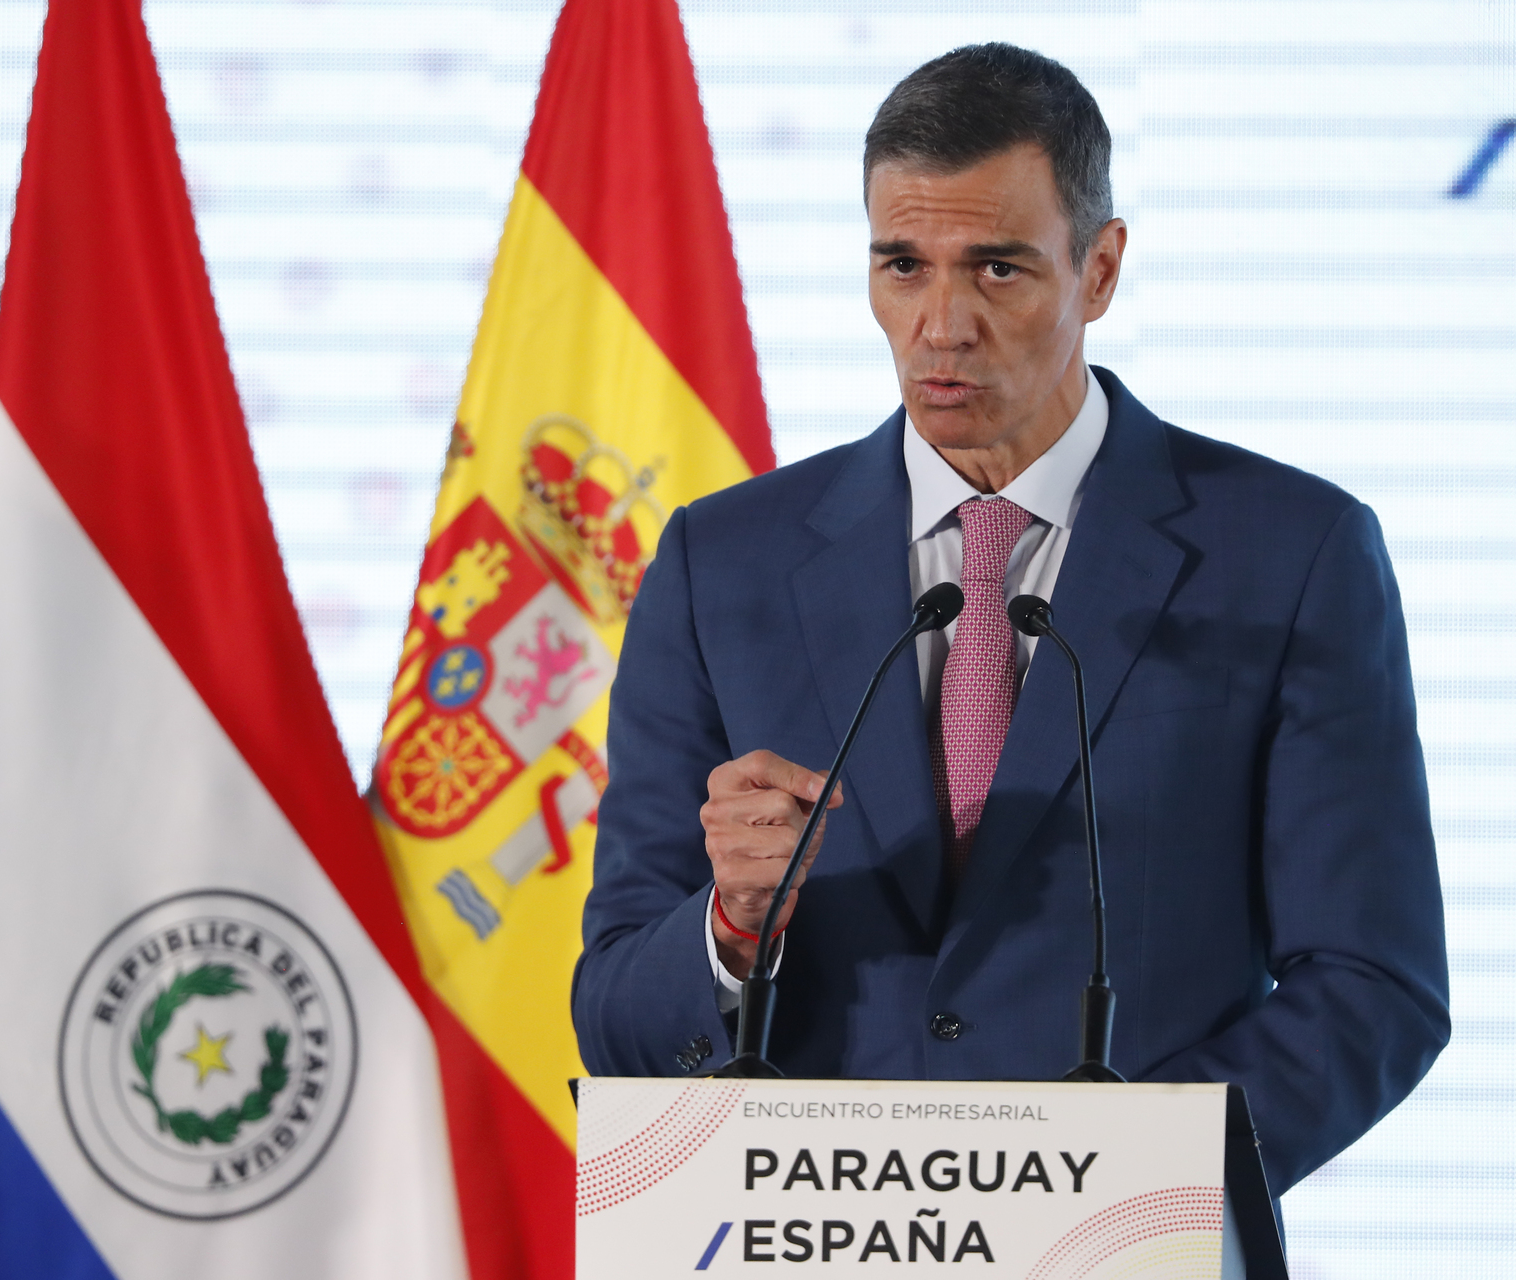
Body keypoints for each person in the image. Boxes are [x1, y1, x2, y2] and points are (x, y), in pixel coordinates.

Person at [571, 42, 1448, 1195]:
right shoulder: (717, 562)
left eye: (996, 269)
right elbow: (619, 1012)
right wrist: (730, 930)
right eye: (902, 263)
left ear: (1100, 269)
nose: (941, 323)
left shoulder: (1291, 553)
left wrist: (1117, 1185)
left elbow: (1372, 984)